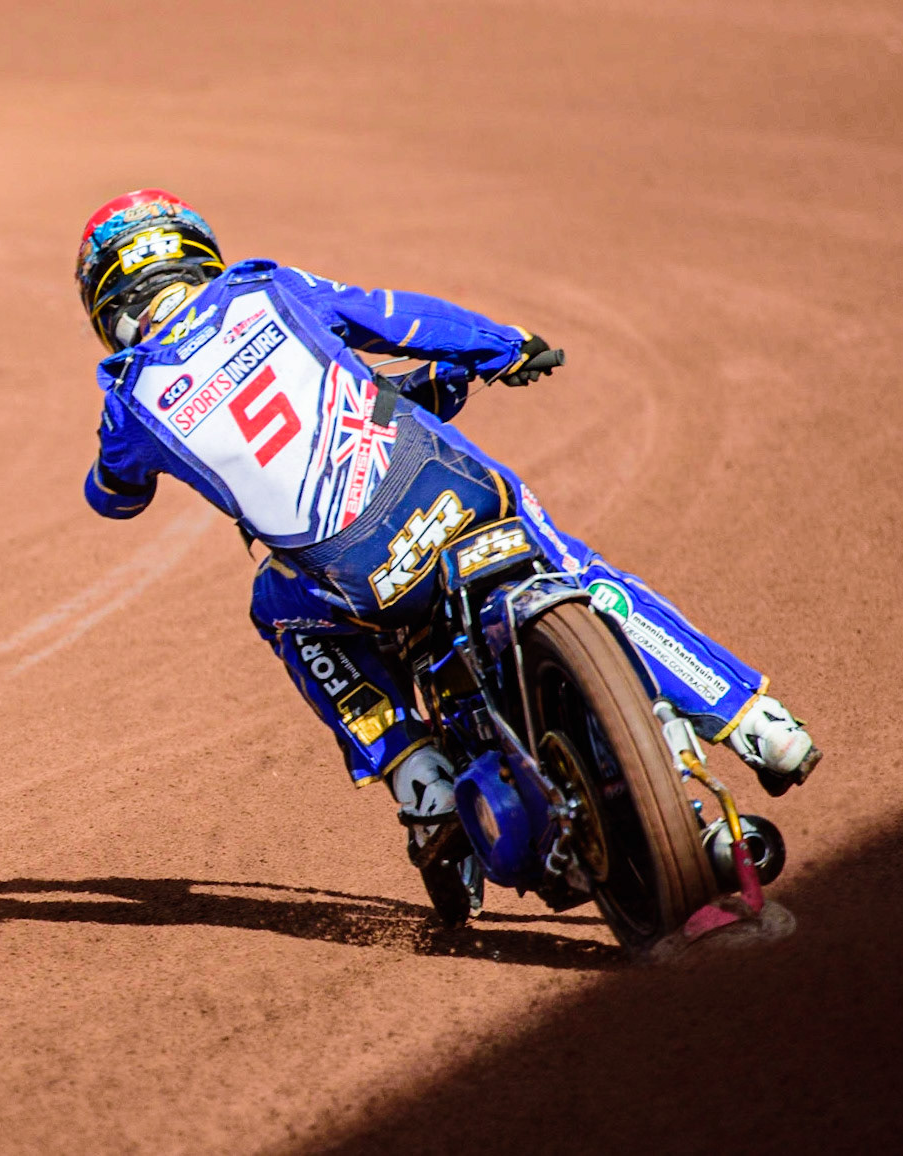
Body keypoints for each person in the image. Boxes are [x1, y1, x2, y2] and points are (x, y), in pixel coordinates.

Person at [74, 188, 818, 915]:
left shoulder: (130, 400)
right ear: (199, 255)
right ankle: (757, 721)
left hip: (367, 580)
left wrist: (115, 470)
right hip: (465, 500)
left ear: (110, 308)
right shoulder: (268, 289)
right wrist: (506, 346)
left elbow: (114, 496)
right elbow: (400, 317)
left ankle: (421, 781)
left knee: (276, 605)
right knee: (574, 566)